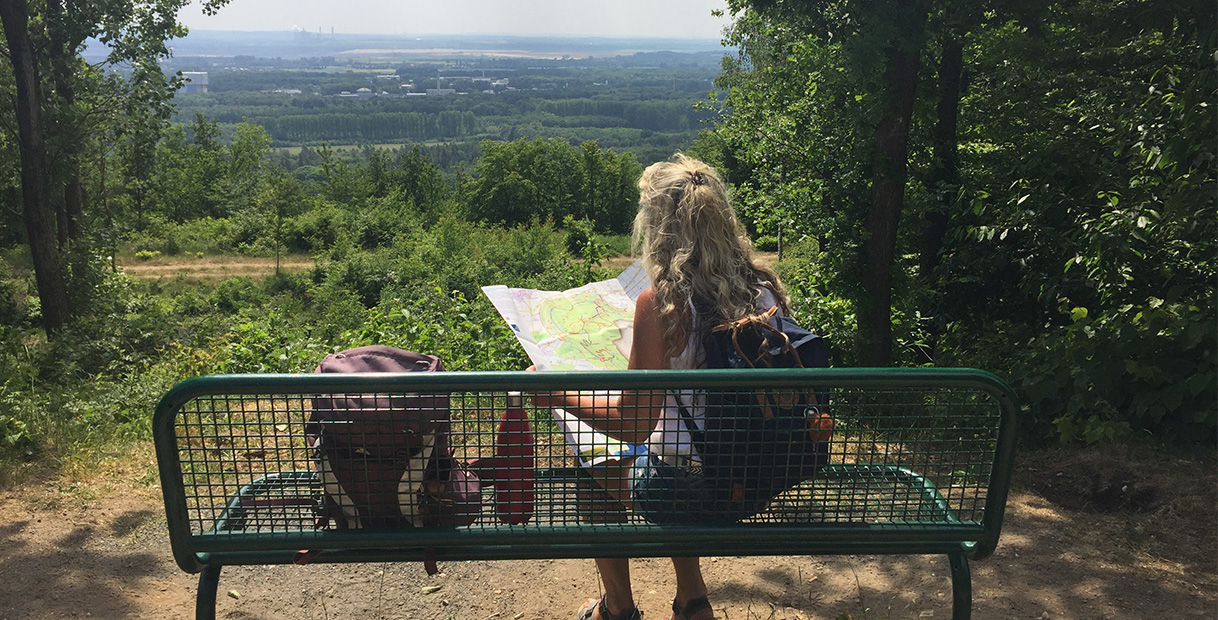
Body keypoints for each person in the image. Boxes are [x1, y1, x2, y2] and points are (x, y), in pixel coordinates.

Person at [529, 154, 791, 620]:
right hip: (757, 474)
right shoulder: (763, 289)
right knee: (674, 449)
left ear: (658, 229)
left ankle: (618, 609)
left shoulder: (664, 303)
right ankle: (692, 600)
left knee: (596, 462)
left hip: (691, 489)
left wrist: (550, 393)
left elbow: (631, 425)